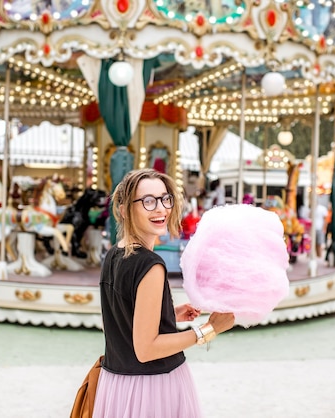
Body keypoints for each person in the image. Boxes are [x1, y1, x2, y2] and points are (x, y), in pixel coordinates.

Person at [94, 169, 235, 418]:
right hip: (152, 388)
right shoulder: (151, 265)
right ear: (125, 210)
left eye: (164, 198)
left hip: (116, 384)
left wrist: (167, 314)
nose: (160, 209)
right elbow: (146, 349)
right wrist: (209, 330)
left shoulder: (113, 254)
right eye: (148, 201)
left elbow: (117, 324)